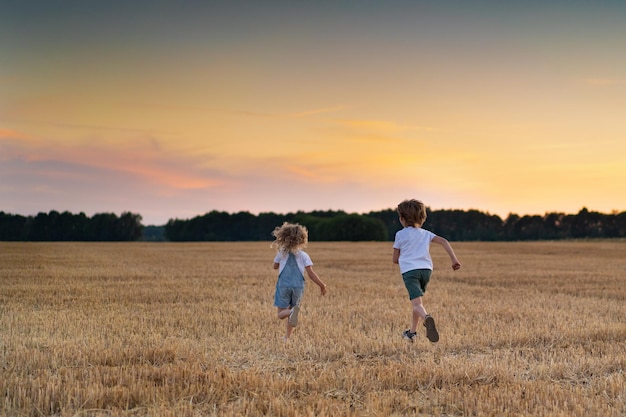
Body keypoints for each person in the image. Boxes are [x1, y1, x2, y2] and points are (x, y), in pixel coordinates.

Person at [392, 199, 461, 343]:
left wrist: (405, 259)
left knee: (417, 304)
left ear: (401, 218)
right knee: (417, 303)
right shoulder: (426, 233)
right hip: (426, 271)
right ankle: (412, 332)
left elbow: (395, 259)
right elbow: (444, 241)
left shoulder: (400, 234)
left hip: (410, 272)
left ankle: (427, 318)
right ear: (422, 218)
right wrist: (454, 260)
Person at [271, 222, 327, 341]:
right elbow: (311, 274)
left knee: (281, 314)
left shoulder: (282, 253)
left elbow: (275, 267)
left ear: (283, 237)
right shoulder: (304, 255)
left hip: (283, 286)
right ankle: (287, 336)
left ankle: (290, 313)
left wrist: (278, 261)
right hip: (298, 287)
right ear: (302, 239)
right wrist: (322, 285)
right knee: (292, 314)